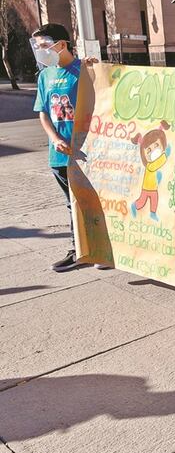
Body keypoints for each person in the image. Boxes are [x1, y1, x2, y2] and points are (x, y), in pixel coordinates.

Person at [32, 24, 84, 272]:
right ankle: (79, 250)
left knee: (96, 202)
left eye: (44, 46)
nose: (40, 51)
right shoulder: (45, 76)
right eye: (38, 47)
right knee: (71, 204)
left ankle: (101, 250)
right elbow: (43, 113)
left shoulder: (85, 70)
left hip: (86, 153)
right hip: (59, 156)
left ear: (61, 44)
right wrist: (54, 138)